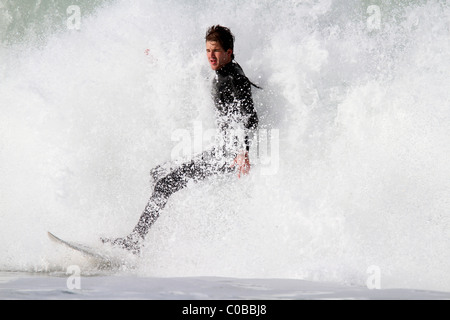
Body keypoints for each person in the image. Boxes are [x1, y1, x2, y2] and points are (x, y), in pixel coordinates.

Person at [103, 25, 259, 254]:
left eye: (215, 51)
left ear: (228, 51)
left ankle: (135, 241)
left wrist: (243, 152)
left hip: (228, 155)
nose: (211, 56)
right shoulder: (225, 72)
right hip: (222, 150)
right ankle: (157, 232)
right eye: (207, 51)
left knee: (164, 184)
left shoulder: (235, 78)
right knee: (158, 174)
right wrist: (162, 65)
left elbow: (251, 117)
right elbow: (191, 74)